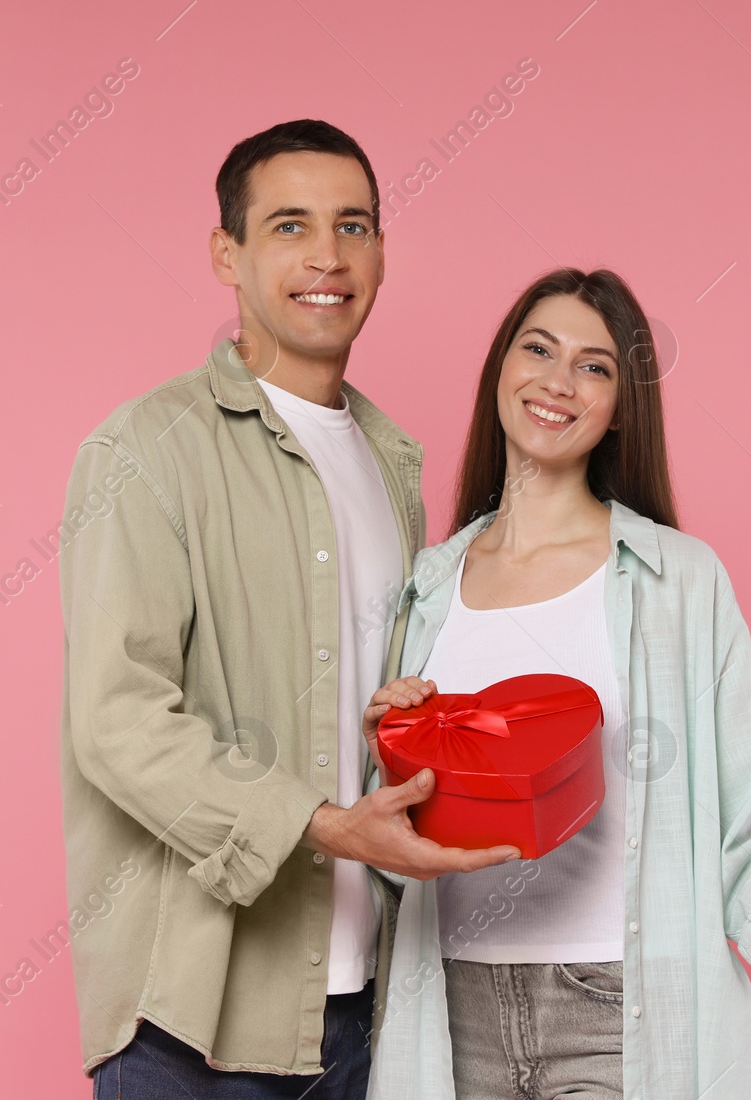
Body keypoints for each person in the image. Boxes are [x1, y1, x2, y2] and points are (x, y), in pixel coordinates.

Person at [362, 269, 751, 1099]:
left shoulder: (678, 582)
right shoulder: (428, 587)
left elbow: (744, 819)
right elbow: (393, 849)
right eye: (537, 349)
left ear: (618, 408)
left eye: (595, 366)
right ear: (500, 368)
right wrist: (388, 754)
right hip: (453, 1013)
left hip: (613, 1017)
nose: (558, 381)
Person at [57, 119, 518, 1099]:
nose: (326, 256)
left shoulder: (395, 466)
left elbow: (370, 709)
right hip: (191, 1018)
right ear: (226, 252)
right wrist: (325, 823)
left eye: (353, 225)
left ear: (382, 253)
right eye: (289, 225)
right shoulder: (144, 451)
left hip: (363, 1011)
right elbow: (117, 719)